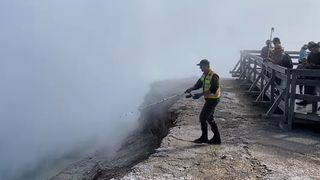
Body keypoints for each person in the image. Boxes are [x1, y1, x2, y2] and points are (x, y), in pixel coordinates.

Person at [185, 59, 221, 144]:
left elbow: (213, 89)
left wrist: (200, 94)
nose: (200, 68)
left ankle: (204, 138)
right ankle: (217, 138)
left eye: (201, 66)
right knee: (209, 118)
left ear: (206, 65)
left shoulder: (214, 75)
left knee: (202, 118)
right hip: (209, 99)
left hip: (213, 99)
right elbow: (198, 84)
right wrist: (191, 89)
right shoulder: (204, 74)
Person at [296, 42, 320, 106]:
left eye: (317, 48)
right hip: (310, 74)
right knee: (306, 83)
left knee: (315, 87)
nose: (316, 49)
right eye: (314, 48)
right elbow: (308, 63)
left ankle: (312, 101)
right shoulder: (310, 55)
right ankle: (306, 100)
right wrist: (306, 64)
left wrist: (313, 66)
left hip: (318, 75)